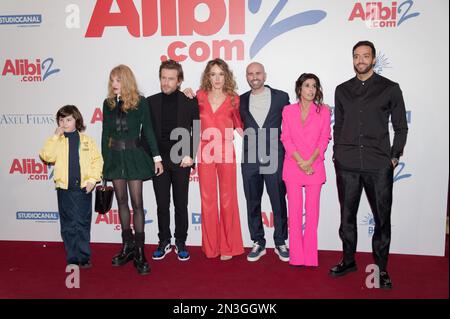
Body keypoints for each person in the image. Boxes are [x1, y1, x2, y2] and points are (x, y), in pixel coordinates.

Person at [329, 41, 408, 289]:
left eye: (365, 56)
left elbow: (401, 127)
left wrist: (394, 157)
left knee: (382, 220)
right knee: (347, 218)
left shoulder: (390, 89)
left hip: (378, 165)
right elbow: (338, 125)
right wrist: (337, 154)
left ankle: (381, 269)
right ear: (352, 60)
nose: (360, 60)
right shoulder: (342, 90)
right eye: (356, 56)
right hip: (348, 164)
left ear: (374, 59)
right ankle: (349, 260)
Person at [101, 64, 163, 275]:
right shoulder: (108, 103)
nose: (113, 84)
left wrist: (156, 157)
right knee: (121, 202)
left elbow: (149, 132)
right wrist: (105, 161)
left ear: (126, 80)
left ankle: (139, 251)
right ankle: (126, 247)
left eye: (117, 80)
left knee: (137, 203)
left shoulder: (140, 102)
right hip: (116, 157)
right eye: (112, 80)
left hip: (135, 156)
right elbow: (105, 134)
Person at [143, 60, 199, 261]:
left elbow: (196, 129)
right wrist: (151, 158)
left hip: (181, 159)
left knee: (181, 204)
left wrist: (191, 155)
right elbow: (146, 134)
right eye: (163, 78)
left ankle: (181, 241)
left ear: (179, 81)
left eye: (171, 79)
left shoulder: (190, 101)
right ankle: (164, 240)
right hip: (158, 161)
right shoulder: (150, 102)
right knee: (161, 205)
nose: (166, 83)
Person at [39, 105, 103, 268]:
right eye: (61, 120)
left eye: (68, 119)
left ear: (77, 120)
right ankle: (72, 256)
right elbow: (46, 156)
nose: (65, 123)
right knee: (68, 224)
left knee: (82, 222)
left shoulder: (87, 140)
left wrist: (92, 180)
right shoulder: (57, 141)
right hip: (64, 189)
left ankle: (84, 256)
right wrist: (54, 137)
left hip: (83, 188)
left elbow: (97, 161)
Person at [239, 62, 290, 262]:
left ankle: (280, 241)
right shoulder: (240, 100)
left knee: (278, 200)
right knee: (252, 200)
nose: (254, 77)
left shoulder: (281, 97)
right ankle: (258, 241)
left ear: (265, 75)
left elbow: (293, 122)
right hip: (250, 157)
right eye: (250, 74)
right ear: (246, 77)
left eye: (258, 73)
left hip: (275, 155)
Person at [196, 58, 244, 260]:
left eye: (221, 74)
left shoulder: (234, 98)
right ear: (208, 76)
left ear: (227, 76)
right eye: (213, 74)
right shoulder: (198, 96)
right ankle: (211, 247)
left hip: (226, 150)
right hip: (205, 151)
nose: (217, 78)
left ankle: (229, 247)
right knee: (207, 201)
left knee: (227, 200)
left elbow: (240, 126)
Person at [281, 73, 331, 267]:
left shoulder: (324, 111)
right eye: (307, 85)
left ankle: (310, 257)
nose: (311, 90)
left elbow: (324, 138)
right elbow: (286, 138)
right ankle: (297, 256)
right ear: (299, 89)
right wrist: (301, 161)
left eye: (314, 86)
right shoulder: (288, 110)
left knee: (312, 214)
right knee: (293, 214)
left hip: (315, 167)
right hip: (293, 166)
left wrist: (310, 161)